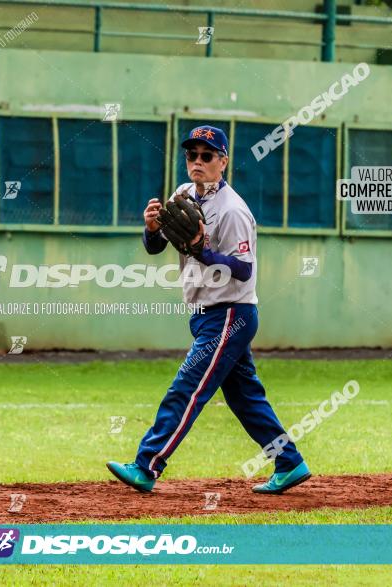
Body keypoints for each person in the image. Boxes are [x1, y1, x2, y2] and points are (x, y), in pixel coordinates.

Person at [106, 125, 310, 495]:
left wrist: (202, 250)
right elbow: (156, 247)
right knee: (245, 398)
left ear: (223, 162)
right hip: (205, 314)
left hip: (231, 313)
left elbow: (244, 268)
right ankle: (289, 462)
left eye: (207, 155)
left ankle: (147, 465)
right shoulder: (183, 195)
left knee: (186, 388)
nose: (197, 161)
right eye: (191, 155)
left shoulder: (233, 211)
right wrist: (151, 229)